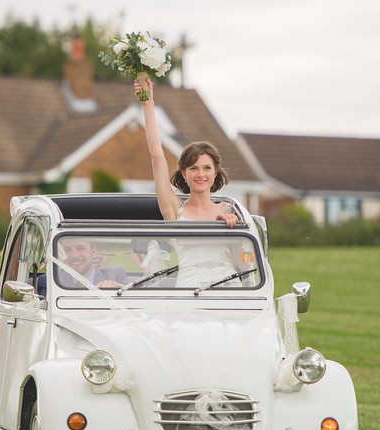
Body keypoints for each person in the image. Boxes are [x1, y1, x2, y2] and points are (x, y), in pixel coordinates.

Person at [134, 75, 246, 287]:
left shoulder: (229, 209)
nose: (200, 174)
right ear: (184, 174)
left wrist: (235, 233)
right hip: (190, 288)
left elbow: (244, 263)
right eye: (193, 168)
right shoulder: (174, 208)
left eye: (206, 168)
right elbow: (157, 154)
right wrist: (148, 104)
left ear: (215, 173)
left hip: (229, 288)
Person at [57, 239, 129, 288]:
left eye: (80, 248)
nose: (74, 255)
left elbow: (131, 303)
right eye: (67, 250)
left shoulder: (115, 275)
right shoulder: (50, 279)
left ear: (93, 252)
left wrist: (120, 289)